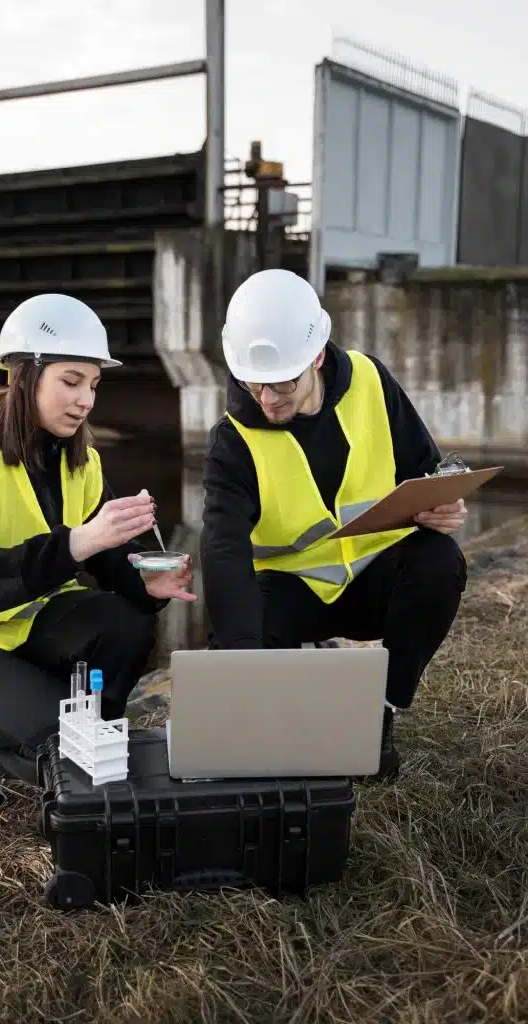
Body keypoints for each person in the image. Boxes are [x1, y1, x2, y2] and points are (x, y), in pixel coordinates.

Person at [0, 293, 196, 815]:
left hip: (25, 629)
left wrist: (143, 582)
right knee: (68, 751)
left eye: (94, 385)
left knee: (124, 623)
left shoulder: (81, 461)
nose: (86, 401)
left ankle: (72, 748)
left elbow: (104, 559)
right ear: (23, 376)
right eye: (71, 381)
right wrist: (79, 541)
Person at [200, 269, 468, 781]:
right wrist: (241, 668)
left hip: (373, 582)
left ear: (317, 357)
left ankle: (380, 715)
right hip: (290, 595)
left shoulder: (371, 381)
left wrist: (445, 505)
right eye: (253, 384)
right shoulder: (231, 442)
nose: (267, 400)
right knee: (241, 626)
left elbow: (427, 471)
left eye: (282, 384)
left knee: (439, 562)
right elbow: (223, 551)